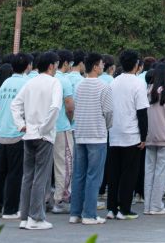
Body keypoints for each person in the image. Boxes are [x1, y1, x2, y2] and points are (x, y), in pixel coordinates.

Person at [16, 51, 62, 230]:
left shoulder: (30, 82)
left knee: (28, 176)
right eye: (56, 64)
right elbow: (55, 107)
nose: (57, 67)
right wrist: (45, 128)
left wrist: (21, 124)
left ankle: (24, 216)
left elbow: (15, 104)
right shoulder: (54, 82)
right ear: (51, 66)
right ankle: (36, 218)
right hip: (44, 135)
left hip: (29, 134)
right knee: (41, 177)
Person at [68, 52, 109, 226]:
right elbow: (109, 112)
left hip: (80, 133)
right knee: (94, 176)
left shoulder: (79, 85)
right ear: (96, 66)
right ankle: (90, 214)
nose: (103, 66)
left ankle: (75, 213)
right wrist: (107, 126)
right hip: (97, 135)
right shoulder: (103, 86)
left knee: (78, 174)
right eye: (102, 64)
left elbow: (74, 107)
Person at [106, 50, 146, 219]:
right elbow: (142, 112)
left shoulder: (114, 82)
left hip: (114, 132)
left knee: (114, 173)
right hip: (131, 134)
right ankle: (124, 209)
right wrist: (144, 136)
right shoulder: (138, 83)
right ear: (136, 65)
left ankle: (111, 208)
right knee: (129, 174)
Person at [0, 55, 26, 219]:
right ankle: (10, 209)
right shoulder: (25, 84)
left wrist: (1, 125)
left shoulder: (5, 83)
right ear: (27, 66)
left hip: (2, 133)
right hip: (17, 133)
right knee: (15, 173)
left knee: (0, 172)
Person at [142, 60, 165, 215]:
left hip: (149, 136)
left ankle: (148, 205)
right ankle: (156, 205)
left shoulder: (147, 92)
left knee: (149, 171)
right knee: (162, 172)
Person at [51, 50, 79, 215]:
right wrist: (70, 120)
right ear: (66, 63)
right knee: (64, 164)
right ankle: (61, 199)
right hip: (61, 127)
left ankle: (46, 198)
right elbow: (69, 105)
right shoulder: (64, 80)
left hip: (45, 128)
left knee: (46, 166)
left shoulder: (46, 79)